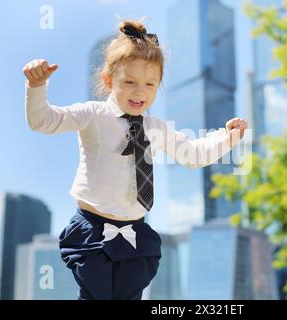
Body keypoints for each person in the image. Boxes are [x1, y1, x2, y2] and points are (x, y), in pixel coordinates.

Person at [23, 19, 248, 300]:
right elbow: (43, 121)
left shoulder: (156, 127)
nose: (140, 91)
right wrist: (37, 86)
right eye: (129, 82)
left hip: (135, 233)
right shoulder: (93, 114)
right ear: (108, 80)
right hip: (92, 230)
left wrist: (227, 138)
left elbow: (193, 154)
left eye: (150, 84)